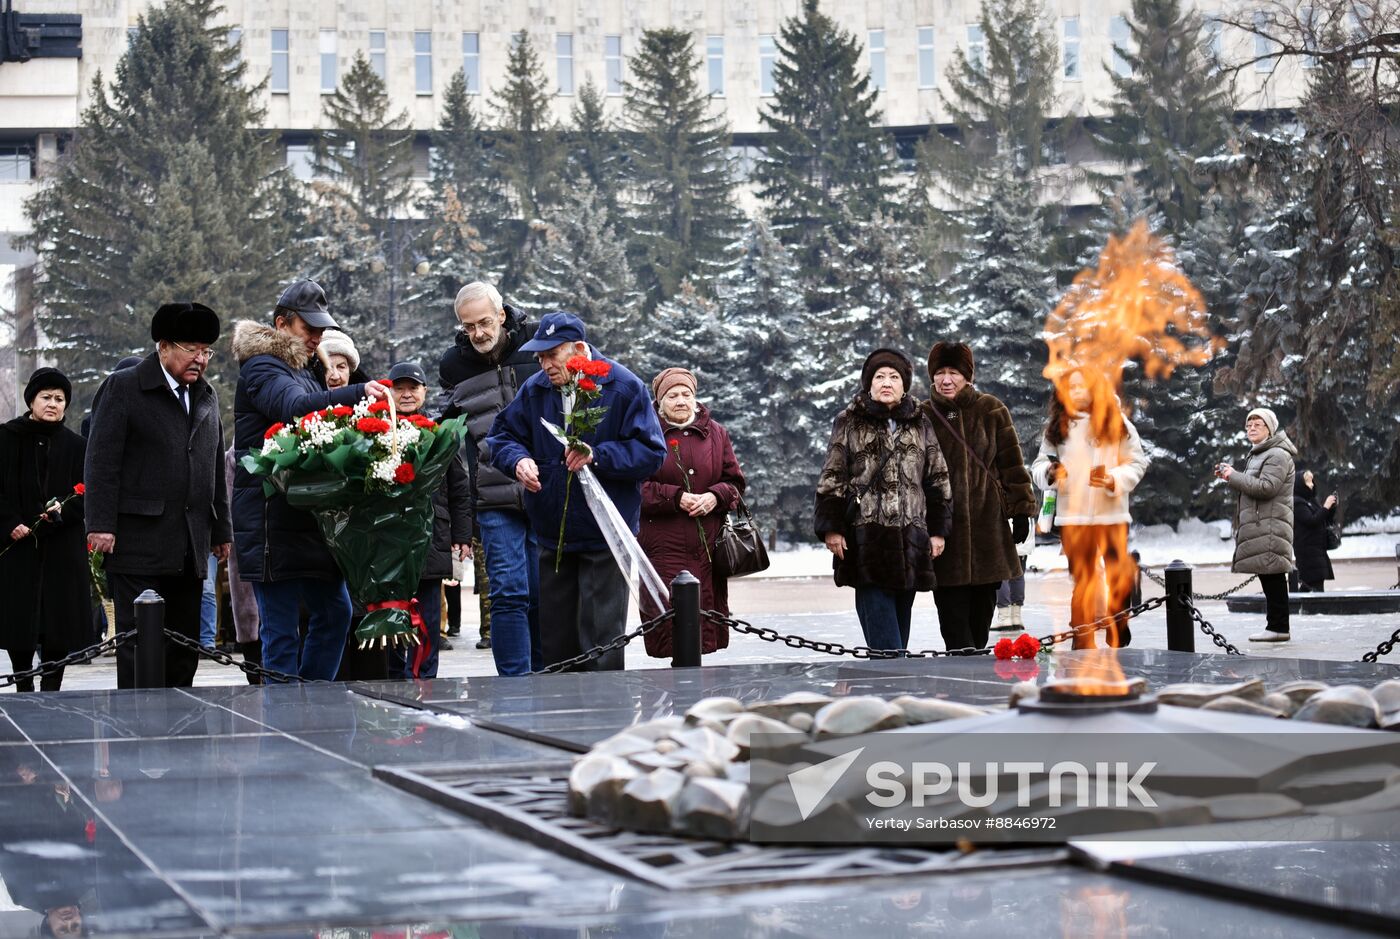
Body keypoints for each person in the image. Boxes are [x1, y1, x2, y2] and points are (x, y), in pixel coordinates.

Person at [486, 312, 666, 672]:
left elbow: (652, 453)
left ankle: (603, 721)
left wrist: (599, 455)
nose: (544, 364)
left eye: (552, 354)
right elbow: (502, 436)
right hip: (553, 538)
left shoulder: (624, 386)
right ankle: (558, 725)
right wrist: (518, 461)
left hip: (606, 538)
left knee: (601, 644)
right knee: (556, 648)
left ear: (580, 349)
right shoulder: (535, 389)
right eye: (539, 356)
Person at [231, 280, 389, 680]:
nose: (318, 336)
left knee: (336, 612)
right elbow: (294, 408)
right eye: (309, 328)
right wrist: (355, 393)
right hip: (271, 519)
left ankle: (313, 700)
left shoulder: (304, 369)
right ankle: (285, 720)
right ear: (282, 324)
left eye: (321, 328)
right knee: (281, 632)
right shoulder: (262, 365)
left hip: (307, 517)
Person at [85, 303, 232, 688]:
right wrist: (100, 524)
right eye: (191, 349)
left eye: (206, 351)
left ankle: (179, 731)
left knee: (183, 648)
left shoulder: (206, 394)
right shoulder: (124, 387)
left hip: (190, 540)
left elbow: (214, 463)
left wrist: (221, 531)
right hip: (138, 541)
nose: (200, 359)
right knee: (139, 647)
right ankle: (137, 733)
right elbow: (101, 461)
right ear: (163, 346)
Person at [814, 350, 952, 652]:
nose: (886, 383)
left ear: (904, 385)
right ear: (869, 384)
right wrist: (831, 528)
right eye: (879, 377)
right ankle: (890, 689)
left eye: (894, 377)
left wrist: (938, 530)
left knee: (899, 638)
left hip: (911, 541)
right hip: (867, 541)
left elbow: (937, 478)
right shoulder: (849, 420)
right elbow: (832, 475)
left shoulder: (920, 421)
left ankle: (892, 693)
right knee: (887, 645)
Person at [439, 282, 543, 675]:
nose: (478, 333)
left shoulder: (536, 343)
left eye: (484, 322)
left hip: (540, 486)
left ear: (501, 315)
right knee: (508, 590)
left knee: (539, 591)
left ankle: (544, 675)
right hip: (492, 494)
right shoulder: (454, 366)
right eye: (469, 327)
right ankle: (515, 681)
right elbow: (449, 425)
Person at [922, 341, 1036, 653]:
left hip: (989, 530)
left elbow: (1012, 464)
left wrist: (1023, 510)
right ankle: (962, 685)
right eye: (940, 372)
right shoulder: (923, 416)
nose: (947, 379)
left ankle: (975, 689)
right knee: (955, 630)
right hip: (947, 535)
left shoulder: (992, 409)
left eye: (954, 372)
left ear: (968, 376)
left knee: (980, 625)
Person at [1031, 369, 1149, 648]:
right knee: (1082, 578)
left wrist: (1114, 479)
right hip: (1074, 516)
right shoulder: (1057, 426)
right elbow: (1038, 464)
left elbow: (1137, 462)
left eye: (1082, 386)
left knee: (1117, 574)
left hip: (1111, 515)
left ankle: (1118, 622)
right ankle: (1082, 637)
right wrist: (1050, 471)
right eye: (1070, 387)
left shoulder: (1117, 422)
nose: (1076, 392)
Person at [638, 367, 747, 658]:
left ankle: (702, 695)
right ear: (660, 402)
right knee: (670, 628)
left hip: (707, 547)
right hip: (662, 546)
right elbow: (635, 487)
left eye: (686, 394)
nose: (681, 400)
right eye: (672, 395)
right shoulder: (644, 433)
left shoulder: (716, 433)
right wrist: (675, 497)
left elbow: (735, 482)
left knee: (705, 629)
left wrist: (714, 497)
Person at [0, 369, 91, 691]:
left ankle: (52, 687)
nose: (52, 404)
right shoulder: (7, 437)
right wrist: (9, 523)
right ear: (32, 401)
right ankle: (23, 684)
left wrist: (62, 512)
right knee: (18, 620)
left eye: (59, 399)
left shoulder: (77, 445)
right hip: (19, 548)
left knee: (58, 622)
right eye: (46, 397)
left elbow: (88, 491)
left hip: (61, 548)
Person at [382, 362, 471, 680]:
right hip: (388, 541)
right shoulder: (374, 435)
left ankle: (423, 681)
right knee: (391, 613)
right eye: (399, 388)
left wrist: (462, 535)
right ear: (388, 392)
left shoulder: (440, 435)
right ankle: (394, 679)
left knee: (429, 618)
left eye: (413, 388)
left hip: (432, 537)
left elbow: (460, 490)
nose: (406, 394)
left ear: (424, 392)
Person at [1215, 407, 1297, 642]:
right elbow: (1254, 483)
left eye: (1257, 425)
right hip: (1263, 524)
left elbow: (1266, 488)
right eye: (1248, 425)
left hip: (1271, 525)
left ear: (1269, 429)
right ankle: (1276, 626)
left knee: (1273, 576)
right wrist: (1231, 475)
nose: (1251, 428)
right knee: (1268, 575)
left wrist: (1233, 476)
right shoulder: (1260, 454)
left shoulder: (1277, 455)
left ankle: (1278, 627)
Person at [1292, 470, 1337, 593]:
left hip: (1316, 550)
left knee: (1312, 586)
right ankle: (1303, 610)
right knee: (1313, 586)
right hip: (1307, 552)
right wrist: (1325, 507)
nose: (1311, 484)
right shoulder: (1297, 503)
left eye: (1312, 481)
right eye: (1307, 481)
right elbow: (1311, 521)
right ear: (1300, 485)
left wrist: (1331, 509)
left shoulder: (1311, 501)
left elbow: (1323, 519)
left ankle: (1295, 608)